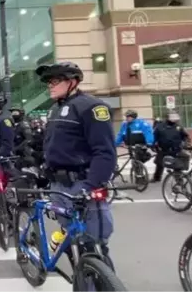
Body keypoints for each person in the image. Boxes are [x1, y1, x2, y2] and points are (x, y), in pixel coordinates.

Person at [35, 62, 117, 264]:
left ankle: (97, 280)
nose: (50, 86)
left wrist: (92, 185)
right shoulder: (56, 109)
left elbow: (105, 152)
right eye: (48, 82)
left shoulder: (92, 107)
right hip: (58, 185)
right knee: (71, 238)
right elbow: (53, 146)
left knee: (93, 244)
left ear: (72, 82)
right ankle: (81, 276)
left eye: (55, 81)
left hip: (81, 183)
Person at [152, 109, 189, 182]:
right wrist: (153, 145)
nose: (174, 119)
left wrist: (184, 143)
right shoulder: (160, 127)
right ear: (168, 117)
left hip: (175, 149)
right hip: (163, 149)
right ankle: (157, 177)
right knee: (159, 164)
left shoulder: (178, 127)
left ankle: (178, 179)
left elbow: (185, 136)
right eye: (172, 116)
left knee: (176, 164)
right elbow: (154, 137)